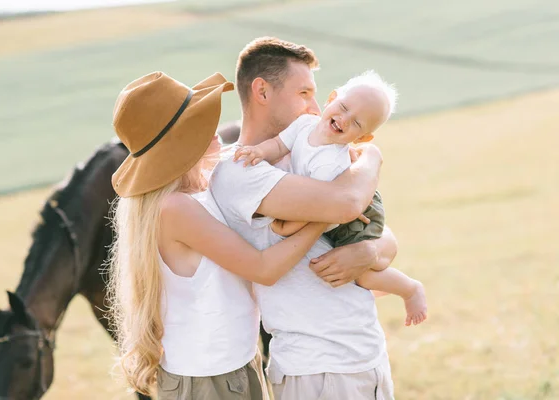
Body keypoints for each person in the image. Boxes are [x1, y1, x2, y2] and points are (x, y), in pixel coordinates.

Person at [107, 71, 329, 400]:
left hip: (232, 365)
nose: (216, 128)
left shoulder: (198, 192)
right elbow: (263, 268)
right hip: (209, 380)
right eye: (200, 122)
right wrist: (323, 217)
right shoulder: (175, 209)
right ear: (180, 143)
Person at [209, 37, 399, 399]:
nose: (315, 106)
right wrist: (372, 158)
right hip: (317, 365)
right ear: (262, 92)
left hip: (364, 353)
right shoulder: (237, 170)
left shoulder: (310, 154)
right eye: (304, 93)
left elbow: (383, 235)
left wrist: (369, 253)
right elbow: (346, 203)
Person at [233, 70, 427, 327]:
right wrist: (259, 151)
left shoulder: (332, 163)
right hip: (338, 205)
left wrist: (286, 226)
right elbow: (280, 145)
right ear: (331, 98)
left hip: (355, 216)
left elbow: (320, 210)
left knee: (364, 275)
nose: (344, 120)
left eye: (357, 123)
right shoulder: (304, 125)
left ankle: (410, 289)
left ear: (362, 138)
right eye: (344, 107)